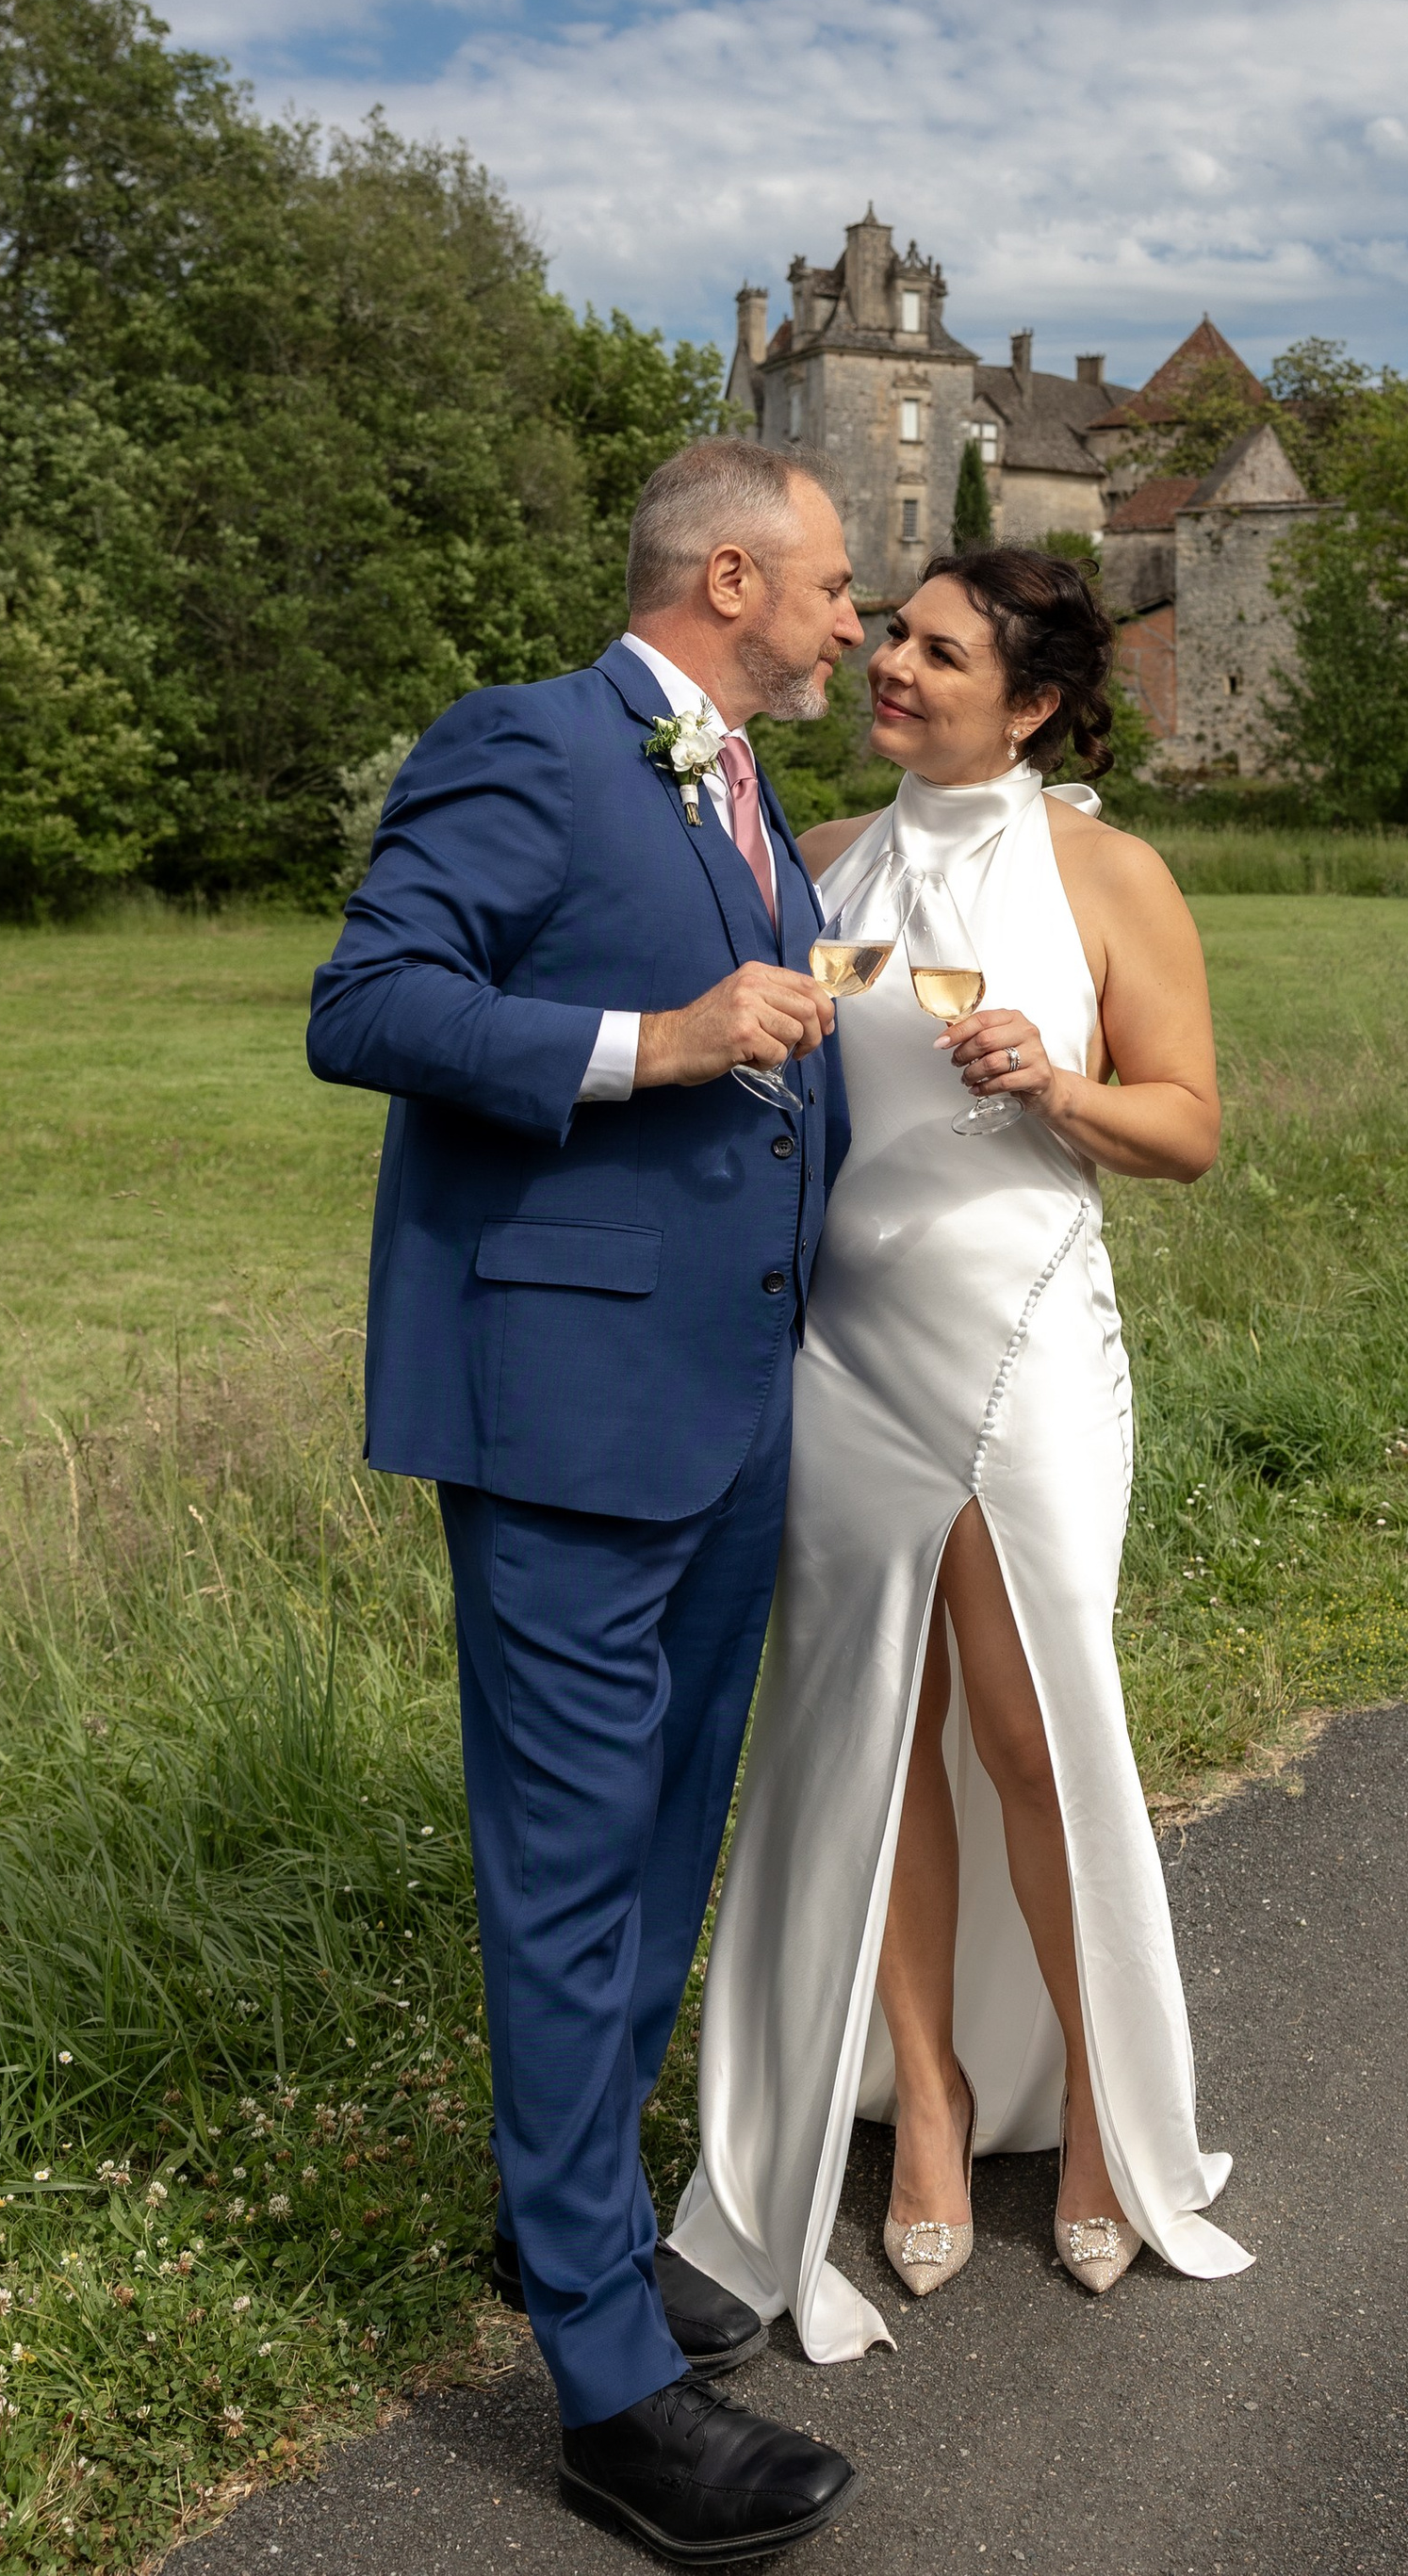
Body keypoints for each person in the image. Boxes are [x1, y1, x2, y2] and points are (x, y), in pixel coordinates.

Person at [307, 440, 867, 2566]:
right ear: (731, 576)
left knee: (651, 1848)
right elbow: (363, 1007)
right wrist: (659, 1037)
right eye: (827, 589)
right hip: (561, 1409)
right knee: (564, 1869)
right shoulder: (524, 748)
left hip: (729, 1408)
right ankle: (605, 2386)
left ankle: (584, 2230)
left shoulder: (738, 795)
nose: (845, 622)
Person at [668, 546, 1253, 2358]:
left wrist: (1054, 1086)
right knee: (875, 1740)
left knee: (1029, 1732)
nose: (890, 666)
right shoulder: (823, 863)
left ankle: (1098, 2112)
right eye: (892, 637)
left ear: (1037, 701)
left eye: (936, 650)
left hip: (1023, 1350)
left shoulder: (1105, 873)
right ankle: (922, 2095)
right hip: (844, 1361)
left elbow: (1192, 1127)